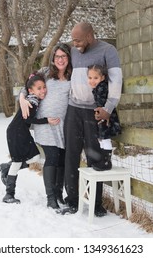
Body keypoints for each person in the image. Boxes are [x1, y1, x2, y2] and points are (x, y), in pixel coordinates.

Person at [64, 22, 122, 216]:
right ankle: (72, 200)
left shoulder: (108, 50)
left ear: (89, 36)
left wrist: (108, 108)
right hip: (73, 110)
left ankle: (96, 204)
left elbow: (116, 81)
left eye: (78, 39)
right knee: (71, 154)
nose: (75, 43)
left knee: (94, 157)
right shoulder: (72, 51)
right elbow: (54, 71)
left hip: (94, 112)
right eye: (73, 39)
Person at [19, 43, 72, 210]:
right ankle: (50, 198)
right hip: (45, 122)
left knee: (62, 159)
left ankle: (58, 194)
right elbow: (26, 86)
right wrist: (22, 98)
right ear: (52, 58)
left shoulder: (73, 76)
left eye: (64, 56)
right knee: (52, 157)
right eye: (57, 56)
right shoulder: (45, 72)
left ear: (68, 58)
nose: (60, 59)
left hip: (63, 125)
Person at [2, 73, 58, 204]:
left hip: (22, 133)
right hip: (16, 133)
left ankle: (6, 168)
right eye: (39, 88)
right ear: (31, 91)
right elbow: (28, 118)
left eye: (44, 87)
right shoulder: (31, 102)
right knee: (17, 162)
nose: (43, 90)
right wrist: (47, 120)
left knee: (35, 157)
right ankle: (9, 194)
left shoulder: (33, 99)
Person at [87, 64, 121, 171]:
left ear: (102, 78)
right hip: (101, 115)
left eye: (95, 78)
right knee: (101, 138)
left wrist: (101, 113)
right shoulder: (98, 87)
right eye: (90, 78)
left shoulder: (102, 87)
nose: (92, 81)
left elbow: (101, 103)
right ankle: (103, 159)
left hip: (105, 116)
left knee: (105, 137)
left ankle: (107, 161)